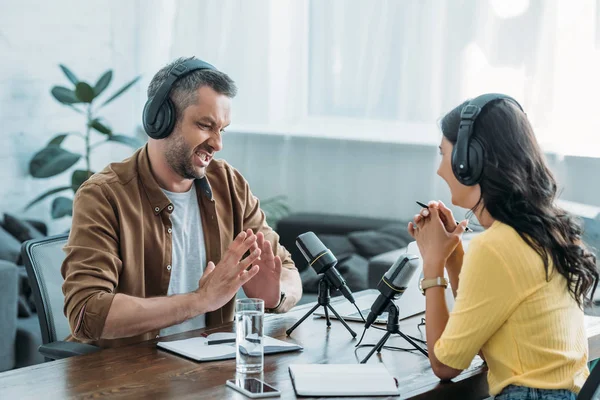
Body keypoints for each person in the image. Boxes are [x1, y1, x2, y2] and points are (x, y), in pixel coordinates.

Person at [61, 57, 302, 348]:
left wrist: (273, 296)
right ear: (160, 120)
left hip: (209, 374)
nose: (217, 143)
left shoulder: (229, 184)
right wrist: (200, 301)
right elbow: (87, 313)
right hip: (128, 379)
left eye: (222, 130)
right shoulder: (104, 195)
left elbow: (288, 272)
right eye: (205, 125)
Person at [408, 94, 597, 399]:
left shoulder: (496, 246)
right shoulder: (548, 230)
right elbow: (483, 337)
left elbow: (445, 364)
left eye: (443, 154)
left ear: (467, 163)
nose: (440, 170)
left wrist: (431, 265)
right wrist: (453, 257)